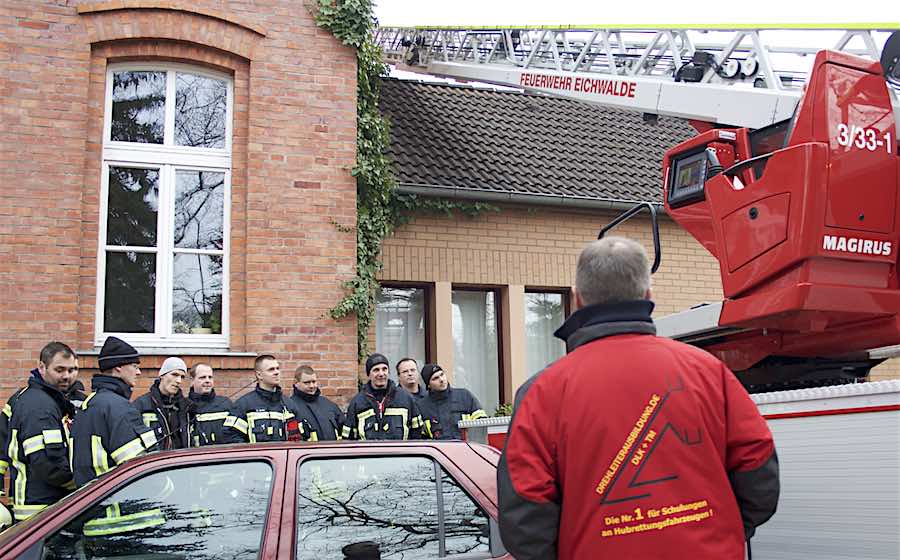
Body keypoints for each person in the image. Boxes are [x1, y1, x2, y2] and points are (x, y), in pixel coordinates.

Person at [497, 237, 779, 560]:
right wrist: (726, 531)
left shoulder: (541, 393)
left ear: (578, 300)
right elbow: (759, 470)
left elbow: (524, 517)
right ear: (648, 295)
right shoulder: (709, 373)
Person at [70, 336, 158, 487]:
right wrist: (167, 491)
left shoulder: (90, 403)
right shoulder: (119, 408)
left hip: (90, 502)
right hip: (120, 505)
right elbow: (141, 469)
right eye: (135, 366)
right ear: (118, 367)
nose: (138, 372)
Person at [5, 342, 79, 522]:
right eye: (59, 370)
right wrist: (80, 485)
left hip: (43, 507)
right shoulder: (40, 407)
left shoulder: (45, 399)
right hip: (41, 511)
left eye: (72, 370)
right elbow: (48, 464)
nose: (66, 376)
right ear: (42, 367)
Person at [223, 355, 306, 443]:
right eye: (271, 369)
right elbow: (231, 436)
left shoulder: (289, 405)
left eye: (277, 368)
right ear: (259, 375)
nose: (276, 372)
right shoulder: (244, 405)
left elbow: (301, 437)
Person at [342, 353, 424, 440]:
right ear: (368, 374)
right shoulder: (357, 403)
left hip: (400, 453)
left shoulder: (406, 398)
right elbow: (348, 439)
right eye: (376, 370)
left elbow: (418, 435)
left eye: (384, 369)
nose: (381, 374)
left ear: (388, 372)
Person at [134, 357, 194, 450]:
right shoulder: (142, 405)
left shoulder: (187, 407)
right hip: (155, 463)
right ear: (162, 375)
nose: (179, 381)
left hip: (183, 462)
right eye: (174, 374)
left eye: (182, 377)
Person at [418, 363, 487, 440]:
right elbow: (421, 437)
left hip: (466, 448)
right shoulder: (422, 406)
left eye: (442, 374)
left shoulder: (464, 396)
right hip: (439, 450)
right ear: (428, 385)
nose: (441, 379)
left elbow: (482, 423)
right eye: (435, 378)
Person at [290, 365, 345, 441]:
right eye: (307, 383)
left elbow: (343, 429)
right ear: (296, 383)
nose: (312, 386)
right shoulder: (291, 407)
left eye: (314, 382)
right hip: (307, 452)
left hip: (332, 452)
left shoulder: (329, 405)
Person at [188, 363, 231, 446]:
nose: (207, 380)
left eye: (210, 377)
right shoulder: (184, 406)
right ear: (192, 381)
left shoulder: (226, 404)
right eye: (202, 377)